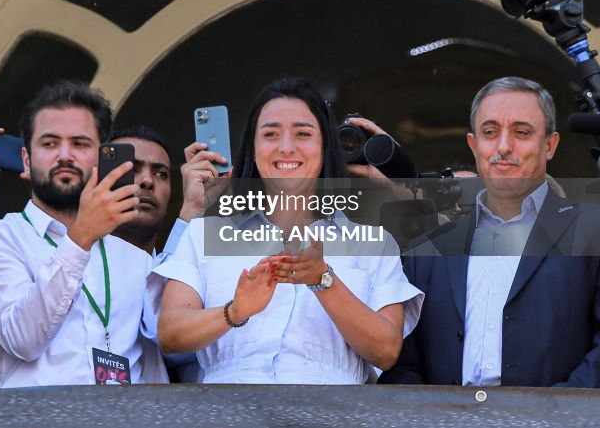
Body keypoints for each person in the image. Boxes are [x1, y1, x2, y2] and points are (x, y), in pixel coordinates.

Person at [156, 77, 423, 383]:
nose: (286, 147)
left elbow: (386, 351)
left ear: (324, 148)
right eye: (270, 134)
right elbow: (170, 333)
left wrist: (324, 280)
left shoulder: (373, 244)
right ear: (253, 149)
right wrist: (236, 310)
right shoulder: (203, 234)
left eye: (302, 134)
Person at [380, 76, 600, 387]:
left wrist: (553, 416)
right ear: (473, 145)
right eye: (490, 132)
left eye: (522, 132)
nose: (504, 147)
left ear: (550, 145)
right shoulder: (426, 250)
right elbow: (401, 364)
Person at [0, 80, 166, 387]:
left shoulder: (136, 259)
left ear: (102, 156)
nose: (65, 155)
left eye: (80, 144)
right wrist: (80, 239)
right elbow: (21, 339)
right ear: (26, 159)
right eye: (49, 144)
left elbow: (157, 365)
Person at [108, 126, 173, 255]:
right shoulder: (65, 262)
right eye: (130, 170)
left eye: (161, 174)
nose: (148, 181)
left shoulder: (182, 271)